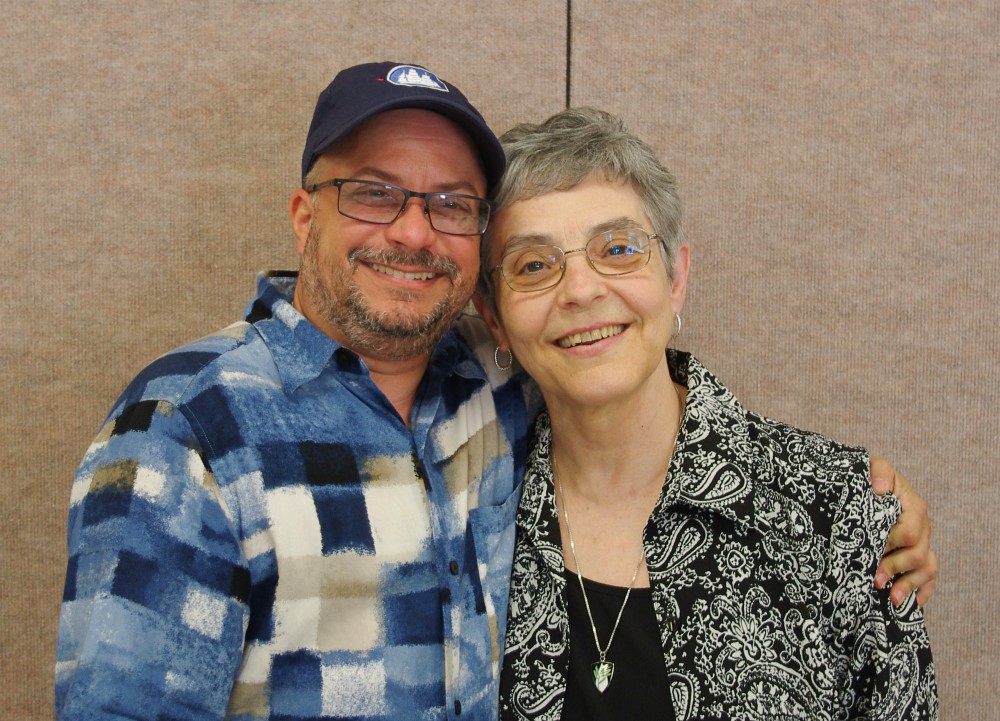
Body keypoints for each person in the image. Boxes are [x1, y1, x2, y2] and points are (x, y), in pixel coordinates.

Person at [55, 64, 934, 721]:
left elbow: (611, 356)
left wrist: (849, 493)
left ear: (678, 273)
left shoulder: (489, 391)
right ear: (302, 213)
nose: (411, 229)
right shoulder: (188, 424)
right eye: (373, 193)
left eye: (448, 202)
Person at [474, 107, 937, 720]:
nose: (581, 290)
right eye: (534, 265)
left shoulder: (843, 513)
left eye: (617, 249)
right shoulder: (467, 513)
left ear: (676, 279)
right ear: (493, 316)